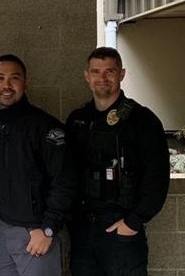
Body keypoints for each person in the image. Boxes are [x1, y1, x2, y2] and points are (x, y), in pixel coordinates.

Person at [66, 47, 169, 276]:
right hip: (83, 230)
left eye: (109, 71)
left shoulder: (143, 120)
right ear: (87, 76)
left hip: (122, 230)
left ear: (121, 74)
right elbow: (66, 173)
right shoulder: (77, 120)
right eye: (95, 71)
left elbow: (157, 178)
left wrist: (134, 222)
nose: (102, 78)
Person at [0, 54, 74, 276]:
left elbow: (64, 182)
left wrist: (48, 229)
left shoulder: (46, 128)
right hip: (1, 233)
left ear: (25, 82)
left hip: (36, 234)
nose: (6, 85)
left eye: (14, 78)